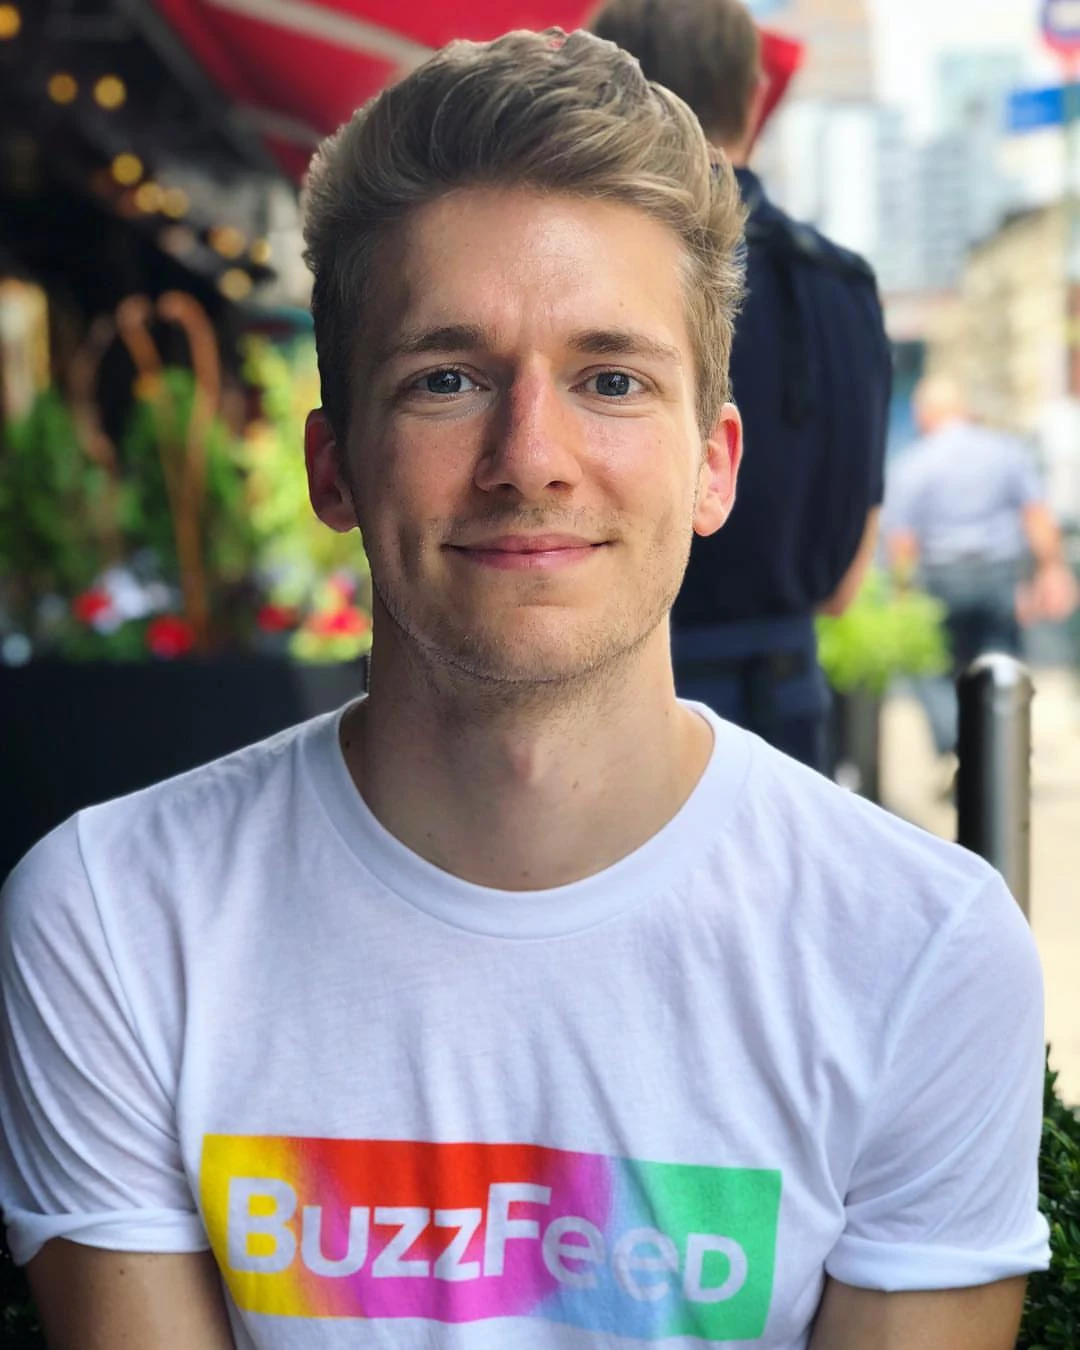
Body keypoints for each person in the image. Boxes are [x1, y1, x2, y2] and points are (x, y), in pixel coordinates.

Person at [0, 28, 1048, 1350]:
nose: (531, 456)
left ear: (714, 464)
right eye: (446, 379)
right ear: (334, 466)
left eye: (611, 379)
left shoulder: (919, 949)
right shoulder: (112, 921)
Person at [590, 0, 892, 772]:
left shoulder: (591, 265)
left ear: (604, 93)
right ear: (755, 98)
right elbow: (845, 585)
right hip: (788, 712)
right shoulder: (844, 285)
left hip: (608, 708)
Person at [885, 374, 1078, 761]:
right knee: (998, 666)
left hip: (941, 577)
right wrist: (1052, 571)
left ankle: (955, 744)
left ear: (927, 413)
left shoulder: (915, 461)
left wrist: (902, 593)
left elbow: (902, 539)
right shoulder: (1006, 452)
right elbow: (1037, 516)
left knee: (929, 667)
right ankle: (994, 752)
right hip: (997, 574)